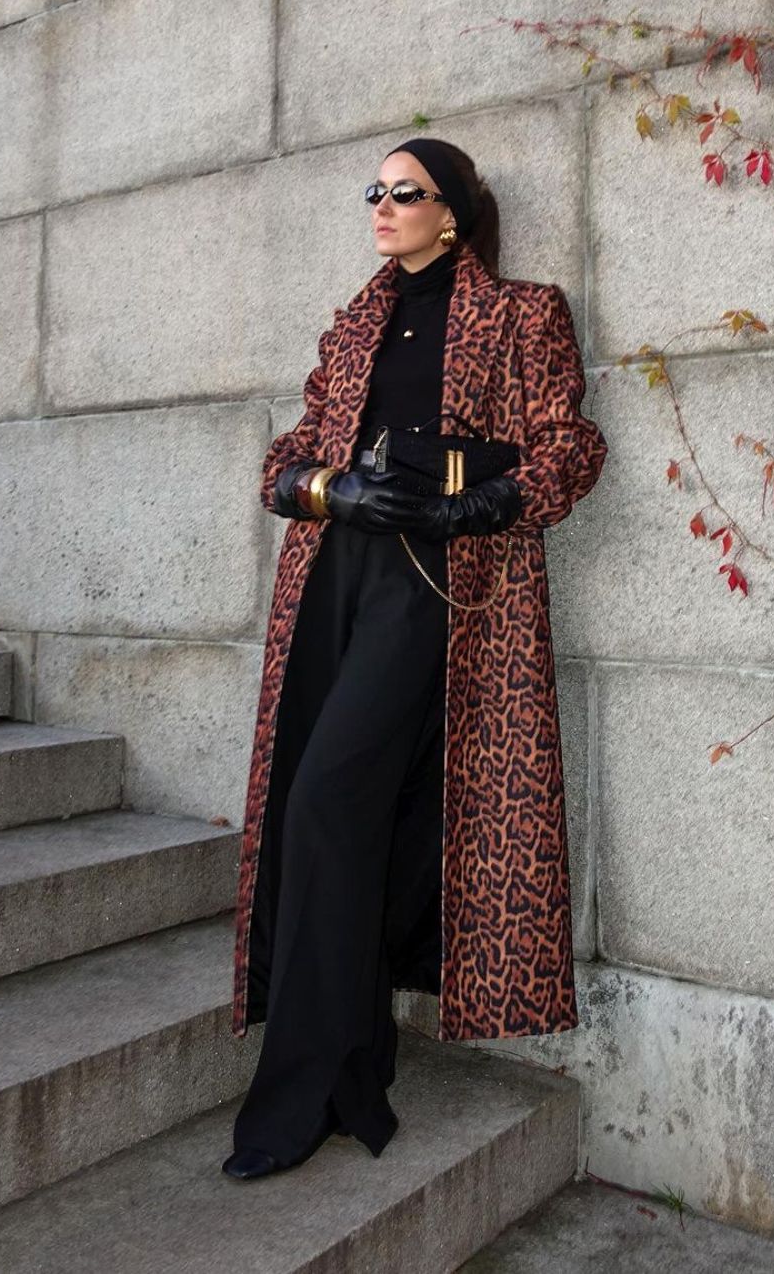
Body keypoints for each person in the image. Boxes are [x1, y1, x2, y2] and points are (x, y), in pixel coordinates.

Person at [222, 137, 606, 1180]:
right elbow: (280, 462)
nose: (383, 207)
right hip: (329, 580)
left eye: (406, 193)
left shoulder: (524, 312)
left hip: (434, 585)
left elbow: (568, 448)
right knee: (331, 811)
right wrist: (330, 490)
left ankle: (300, 1090)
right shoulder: (352, 323)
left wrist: (469, 506)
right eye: (374, 192)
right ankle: (353, 1065)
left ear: (452, 213)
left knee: (327, 803)